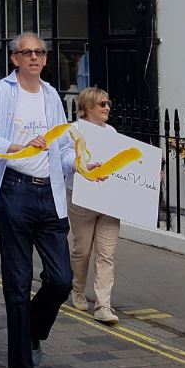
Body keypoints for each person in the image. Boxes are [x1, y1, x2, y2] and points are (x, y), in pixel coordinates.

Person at [0, 32, 98, 368]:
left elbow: (61, 149)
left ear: (45, 59)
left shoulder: (51, 96)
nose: (34, 57)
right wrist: (18, 146)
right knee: (17, 284)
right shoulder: (0, 92)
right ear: (15, 58)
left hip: (50, 195)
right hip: (14, 192)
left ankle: (31, 332)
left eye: (39, 52)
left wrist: (82, 165)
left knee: (61, 280)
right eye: (27, 52)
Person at [69, 87, 121, 325]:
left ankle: (103, 305)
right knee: (82, 250)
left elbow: (121, 163)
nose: (107, 108)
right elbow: (64, 159)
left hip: (108, 199)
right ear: (87, 107)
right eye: (102, 104)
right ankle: (78, 290)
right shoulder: (74, 130)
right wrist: (81, 166)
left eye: (108, 103)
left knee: (106, 254)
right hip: (82, 199)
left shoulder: (112, 132)